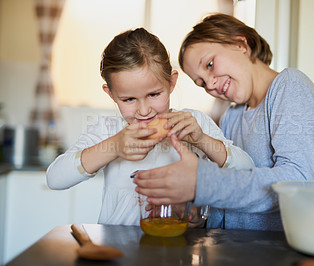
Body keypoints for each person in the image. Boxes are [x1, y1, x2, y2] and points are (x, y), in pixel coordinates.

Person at [133, 13, 314, 231]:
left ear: (240, 44)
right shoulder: (232, 116)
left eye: (209, 64)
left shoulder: (290, 87)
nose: (210, 84)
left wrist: (202, 183)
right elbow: (229, 200)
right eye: (201, 83)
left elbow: (299, 182)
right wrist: (198, 213)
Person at [46, 27, 254, 226]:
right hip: (120, 251)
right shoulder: (107, 130)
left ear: (171, 83)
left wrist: (202, 140)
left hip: (181, 247)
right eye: (128, 99)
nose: (144, 111)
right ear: (110, 94)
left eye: (154, 94)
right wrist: (115, 146)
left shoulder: (194, 123)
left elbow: (247, 169)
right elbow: (55, 178)